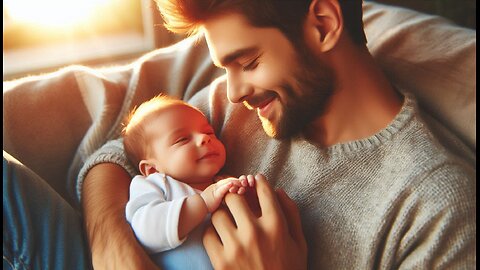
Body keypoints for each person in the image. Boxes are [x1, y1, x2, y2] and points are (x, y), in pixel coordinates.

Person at [2, 1, 475, 269]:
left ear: (325, 24)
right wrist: (113, 244)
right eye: (224, 68)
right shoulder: (249, 109)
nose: (231, 93)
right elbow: (117, 151)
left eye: (247, 63)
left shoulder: (435, 209)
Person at [122, 95, 254, 269]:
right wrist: (204, 202)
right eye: (182, 139)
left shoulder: (223, 182)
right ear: (152, 169)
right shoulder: (155, 184)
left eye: (209, 132)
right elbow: (145, 231)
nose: (204, 138)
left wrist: (249, 197)